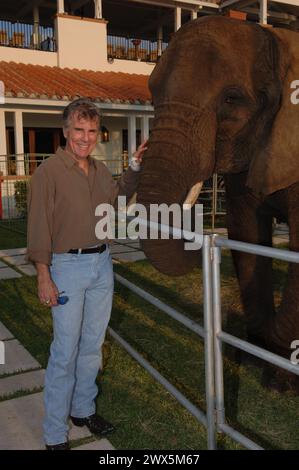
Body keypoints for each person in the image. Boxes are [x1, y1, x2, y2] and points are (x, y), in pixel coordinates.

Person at [27, 98, 148, 450]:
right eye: (78, 130)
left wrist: (136, 166)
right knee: (65, 351)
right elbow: (38, 227)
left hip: (101, 265)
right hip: (66, 267)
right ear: (66, 131)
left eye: (92, 131)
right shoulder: (48, 172)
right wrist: (43, 275)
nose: (85, 137)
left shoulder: (97, 170)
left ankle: (82, 409)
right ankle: (54, 432)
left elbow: (116, 197)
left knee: (92, 347)